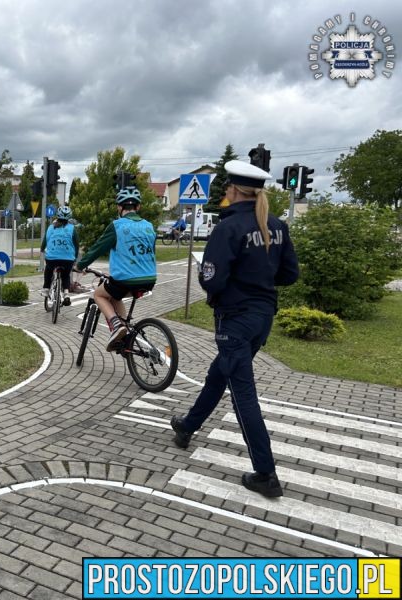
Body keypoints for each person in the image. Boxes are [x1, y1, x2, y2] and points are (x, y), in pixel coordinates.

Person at [169, 160, 299, 498]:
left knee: (243, 395)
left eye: (226, 187)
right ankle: (187, 426)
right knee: (219, 375)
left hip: (235, 319)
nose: (225, 192)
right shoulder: (277, 225)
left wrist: (212, 281)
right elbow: (289, 275)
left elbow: (213, 279)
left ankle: (265, 474)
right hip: (262, 317)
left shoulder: (228, 228)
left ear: (234, 190)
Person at [75, 187, 157, 351]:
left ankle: (116, 324)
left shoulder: (117, 226)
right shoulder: (149, 226)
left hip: (125, 279)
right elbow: (150, 252)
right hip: (150, 279)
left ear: (119, 207)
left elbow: (97, 248)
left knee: (99, 294)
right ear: (138, 207)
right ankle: (125, 335)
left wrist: (80, 266)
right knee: (115, 295)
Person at [40, 205, 79, 306]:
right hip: (68, 259)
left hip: (52, 259)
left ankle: (46, 289)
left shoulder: (51, 228)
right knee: (65, 275)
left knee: (48, 270)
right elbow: (76, 245)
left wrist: (42, 249)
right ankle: (66, 294)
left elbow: (45, 242)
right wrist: (75, 257)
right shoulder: (72, 229)